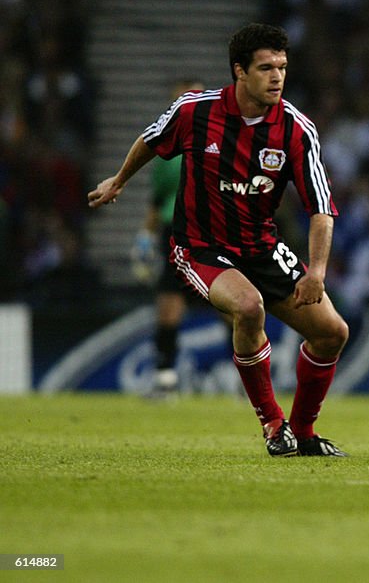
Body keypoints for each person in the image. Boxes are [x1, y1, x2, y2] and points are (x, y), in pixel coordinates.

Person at [89, 23, 349, 457]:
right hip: (199, 245)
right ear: (239, 72)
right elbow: (151, 141)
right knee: (249, 307)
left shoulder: (297, 130)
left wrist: (317, 271)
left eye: (282, 67)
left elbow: (321, 207)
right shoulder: (194, 111)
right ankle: (272, 424)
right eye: (266, 68)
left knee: (332, 333)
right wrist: (118, 180)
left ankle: (302, 434)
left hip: (261, 246)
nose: (277, 77)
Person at [132, 78, 207, 397]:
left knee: (236, 307)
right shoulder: (165, 155)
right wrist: (144, 239)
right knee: (169, 306)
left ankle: (249, 379)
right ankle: (165, 376)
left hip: (214, 231)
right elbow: (157, 201)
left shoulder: (223, 143)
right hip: (174, 233)